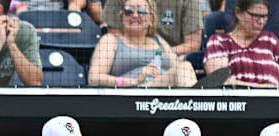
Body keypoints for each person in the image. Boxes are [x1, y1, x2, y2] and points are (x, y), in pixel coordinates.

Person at [89, 0, 228, 88]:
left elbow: (180, 68)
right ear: (121, 17)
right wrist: (134, 81)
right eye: (129, 11)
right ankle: (198, 101)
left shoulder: (158, 41)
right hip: (131, 93)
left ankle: (197, 98)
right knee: (183, 70)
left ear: (151, 18)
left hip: (161, 93)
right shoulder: (110, 40)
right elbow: (93, 78)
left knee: (185, 66)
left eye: (142, 12)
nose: (135, 15)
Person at [204, 0, 279, 88]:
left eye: (265, 17)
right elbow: (219, 81)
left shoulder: (270, 40)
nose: (261, 22)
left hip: (273, 103)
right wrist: (258, 87)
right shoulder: (219, 42)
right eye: (256, 16)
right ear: (238, 13)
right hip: (237, 102)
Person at [102, 0, 202, 56]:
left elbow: (193, 44)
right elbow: (115, 36)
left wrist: (157, 54)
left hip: (170, 55)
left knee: (185, 68)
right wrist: (138, 54)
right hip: (127, 55)